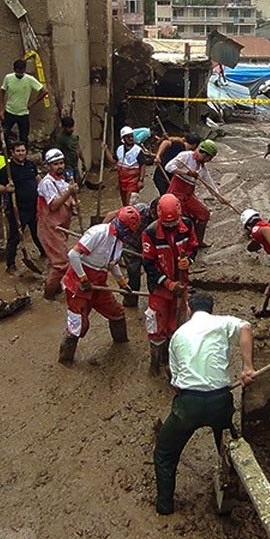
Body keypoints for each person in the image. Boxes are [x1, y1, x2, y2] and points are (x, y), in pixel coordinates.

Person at [152, 292, 256, 515]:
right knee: (230, 442)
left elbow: (176, 382)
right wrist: (247, 367)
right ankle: (235, 481)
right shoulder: (221, 323)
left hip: (189, 404)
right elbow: (246, 328)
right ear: (213, 309)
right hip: (220, 400)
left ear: (189, 310)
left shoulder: (178, 336)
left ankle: (164, 506)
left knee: (164, 454)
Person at [58, 207, 140, 365]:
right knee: (78, 324)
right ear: (121, 226)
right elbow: (73, 255)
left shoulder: (119, 242)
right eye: (128, 231)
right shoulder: (98, 233)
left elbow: (112, 264)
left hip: (99, 283)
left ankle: (121, 343)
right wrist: (83, 278)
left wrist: (122, 283)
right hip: (79, 284)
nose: (129, 235)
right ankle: (65, 359)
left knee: (117, 313)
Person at [142, 193, 199, 376]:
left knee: (179, 322)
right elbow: (149, 266)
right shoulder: (150, 233)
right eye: (166, 224)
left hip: (181, 284)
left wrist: (189, 260)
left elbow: (193, 246)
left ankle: (173, 358)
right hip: (159, 289)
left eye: (173, 223)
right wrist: (168, 284)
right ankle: (155, 363)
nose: (170, 227)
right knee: (157, 324)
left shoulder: (187, 225)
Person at [0, 141, 47, 274]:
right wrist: (6, 189)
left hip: (33, 208)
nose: (21, 153)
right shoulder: (7, 170)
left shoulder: (30, 165)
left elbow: (37, 179)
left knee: (38, 233)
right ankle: (10, 265)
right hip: (18, 210)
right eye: (18, 151)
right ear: (12, 153)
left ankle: (44, 254)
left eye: (23, 150)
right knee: (15, 237)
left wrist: (45, 191)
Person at [164, 139, 225, 247]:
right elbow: (168, 167)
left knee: (204, 214)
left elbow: (210, 183)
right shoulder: (186, 156)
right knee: (179, 221)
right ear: (204, 154)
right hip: (176, 193)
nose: (208, 161)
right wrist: (187, 172)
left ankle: (197, 241)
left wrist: (220, 197)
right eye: (208, 158)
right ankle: (179, 246)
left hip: (189, 195)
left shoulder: (202, 167)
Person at [36, 148, 79, 296]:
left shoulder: (62, 181)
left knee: (55, 260)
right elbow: (53, 205)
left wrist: (74, 202)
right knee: (61, 264)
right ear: (49, 166)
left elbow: (69, 201)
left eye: (61, 163)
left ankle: (56, 289)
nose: (59, 166)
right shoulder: (47, 183)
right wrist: (70, 192)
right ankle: (47, 296)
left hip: (61, 227)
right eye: (55, 164)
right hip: (50, 228)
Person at [0, 58, 47, 144]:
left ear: (24, 70)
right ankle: (7, 153)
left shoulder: (29, 79)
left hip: (23, 113)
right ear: (14, 70)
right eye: (18, 71)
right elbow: (1, 93)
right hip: (9, 112)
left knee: (23, 138)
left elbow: (44, 91)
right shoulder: (8, 78)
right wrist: (1, 110)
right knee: (4, 135)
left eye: (22, 71)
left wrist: (33, 102)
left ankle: (23, 154)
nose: (20, 73)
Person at [107, 126, 145, 206]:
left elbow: (143, 165)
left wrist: (141, 180)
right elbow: (113, 161)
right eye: (128, 137)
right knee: (125, 204)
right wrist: (106, 149)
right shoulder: (120, 149)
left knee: (131, 203)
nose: (131, 138)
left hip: (133, 181)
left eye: (131, 136)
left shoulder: (137, 150)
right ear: (123, 138)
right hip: (122, 181)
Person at [51, 115, 84, 184]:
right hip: (67, 166)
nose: (71, 129)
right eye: (69, 127)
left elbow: (78, 149)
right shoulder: (60, 138)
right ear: (64, 127)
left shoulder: (74, 137)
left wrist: (83, 161)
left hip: (74, 164)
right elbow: (57, 152)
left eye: (72, 127)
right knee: (70, 184)